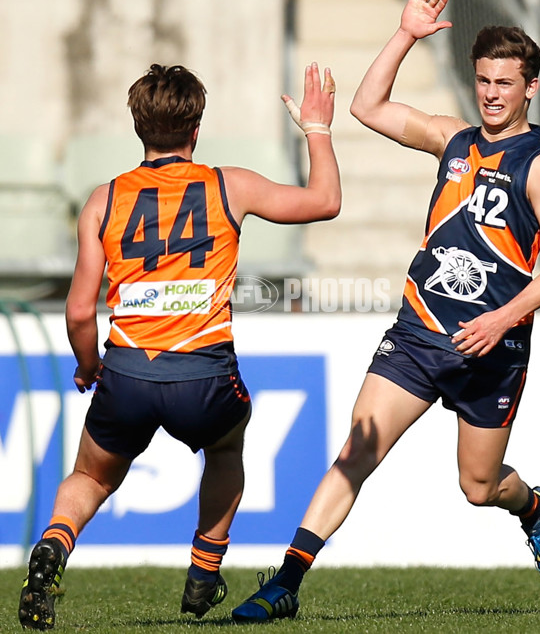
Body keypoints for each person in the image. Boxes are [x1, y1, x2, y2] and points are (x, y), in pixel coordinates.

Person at [231, 0, 540, 623]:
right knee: (355, 454)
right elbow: (368, 107)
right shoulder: (453, 139)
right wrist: (406, 35)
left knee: (478, 487)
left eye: (505, 83)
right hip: (419, 333)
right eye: (483, 81)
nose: (491, 94)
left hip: (493, 348)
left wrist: (501, 318)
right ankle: (285, 584)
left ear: (530, 87)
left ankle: (534, 508)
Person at [17, 61, 339, 630]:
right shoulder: (226, 184)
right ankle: (202, 574)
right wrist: (316, 128)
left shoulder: (104, 198)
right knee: (225, 447)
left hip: (127, 372)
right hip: (203, 373)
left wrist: (89, 366)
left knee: (90, 477)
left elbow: (77, 309)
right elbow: (324, 201)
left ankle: (53, 548)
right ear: (196, 128)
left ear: (138, 127)